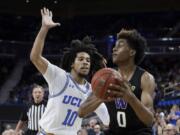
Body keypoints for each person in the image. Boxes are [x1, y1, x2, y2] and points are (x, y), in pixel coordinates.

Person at [30, 7, 109, 135]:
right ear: (72, 63)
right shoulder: (59, 77)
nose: (85, 62)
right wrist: (44, 29)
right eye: (81, 59)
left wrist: (108, 90)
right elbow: (35, 57)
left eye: (88, 60)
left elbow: (107, 120)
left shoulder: (92, 90)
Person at [79, 29, 156, 135]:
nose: (114, 49)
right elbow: (81, 112)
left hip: (139, 132)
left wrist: (131, 98)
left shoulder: (145, 78)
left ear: (132, 52)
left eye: (120, 45)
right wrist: (101, 97)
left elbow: (149, 120)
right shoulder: (106, 77)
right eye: (114, 46)